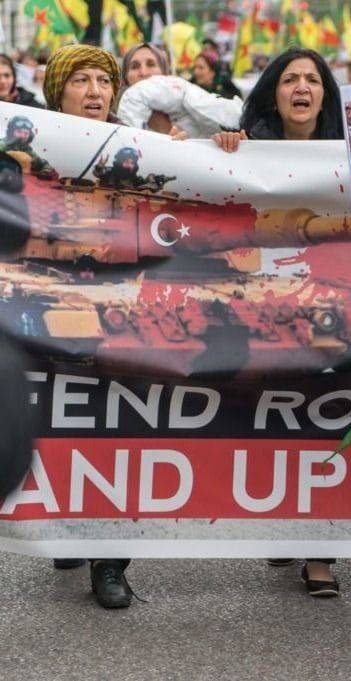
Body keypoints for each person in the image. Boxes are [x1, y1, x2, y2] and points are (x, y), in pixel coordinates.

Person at [213, 46, 343, 596]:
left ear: (324, 94)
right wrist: (221, 149)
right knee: (281, 424)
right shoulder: (248, 148)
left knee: (329, 425)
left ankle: (321, 555)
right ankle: (290, 520)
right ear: (274, 91)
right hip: (266, 310)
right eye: (291, 78)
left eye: (313, 79)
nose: (302, 87)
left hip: (334, 309)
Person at [42, 44, 133, 608]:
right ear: (58, 91)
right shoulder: (25, 147)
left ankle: (112, 562)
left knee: (123, 432)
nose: (96, 91)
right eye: (82, 80)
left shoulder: (138, 149)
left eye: (104, 80)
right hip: (46, 317)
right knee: (62, 426)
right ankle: (65, 524)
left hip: (124, 318)